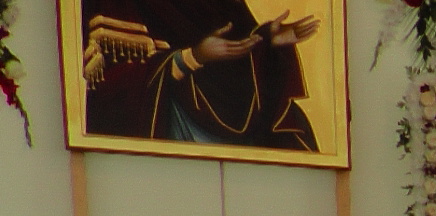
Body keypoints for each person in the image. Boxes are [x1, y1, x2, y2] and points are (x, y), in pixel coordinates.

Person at [78, 0, 320, 149]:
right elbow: (109, 85)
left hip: (237, 120)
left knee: (291, 127)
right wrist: (192, 58)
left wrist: (266, 40)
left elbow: (235, 45)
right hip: (173, 126)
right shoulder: (116, 4)